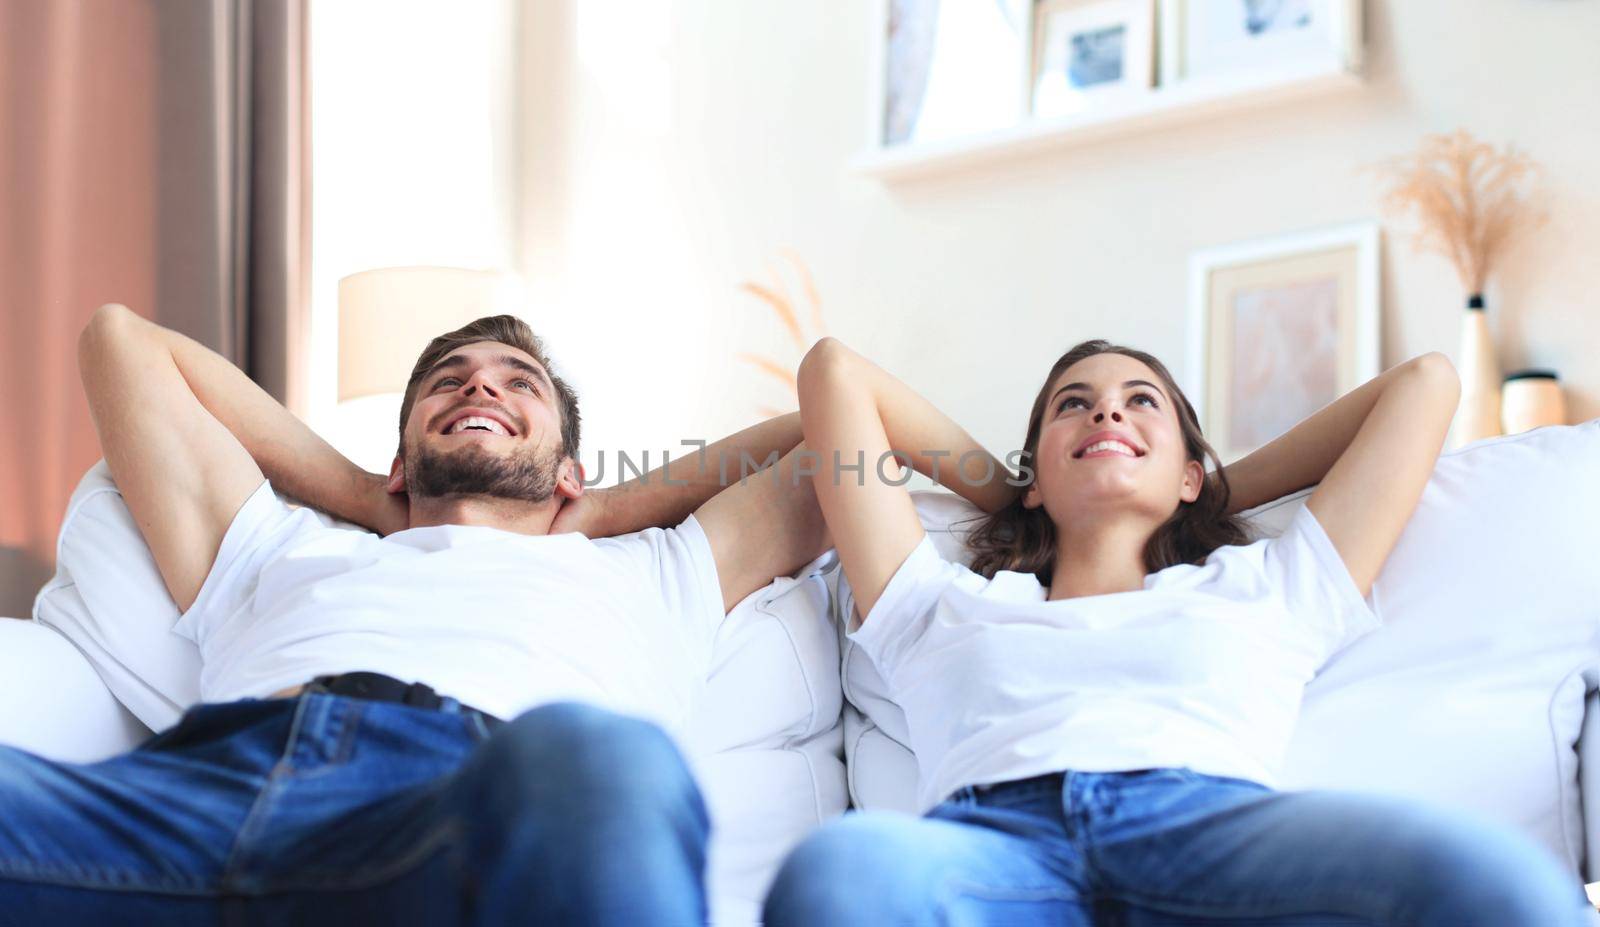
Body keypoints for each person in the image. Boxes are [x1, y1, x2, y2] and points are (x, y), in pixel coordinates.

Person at [0, 305, 827, 925]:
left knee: (604, 760)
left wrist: (608, 507)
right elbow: (119, 342)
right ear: (401, 458)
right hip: (197, 794)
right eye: (451, 380)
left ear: (569, 469)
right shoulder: (282, 545)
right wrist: (364, 494)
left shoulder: (649, 570)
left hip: (460, 814)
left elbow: (839, 445)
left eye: (517, 384)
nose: (479, 385)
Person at [764, 336, 1591, 925]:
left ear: (1191, 470)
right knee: (838, 873)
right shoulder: (938, 606)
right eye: (1074, 407)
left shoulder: (1268, 587)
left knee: (1502, 886)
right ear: (1035, 478)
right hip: (989, 849)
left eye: (1139, 403)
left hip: (1214, 835)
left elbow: (1426, 381)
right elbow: (836, 372)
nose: (1106, 414)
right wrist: (1022, 486)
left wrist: (1207, 487)